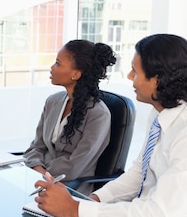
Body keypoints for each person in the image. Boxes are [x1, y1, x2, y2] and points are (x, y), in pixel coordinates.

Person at [33, 34, 187, 217]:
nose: (129, 76)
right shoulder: (164, 115)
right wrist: (93, 200)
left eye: (136, 70)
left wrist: (76, 209)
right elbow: (139, 174)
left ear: (157, 79)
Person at [23, 39, 117, 195]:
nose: (52, 68)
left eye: (58, 64)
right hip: (39, 180)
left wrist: (41, 171)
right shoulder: (53, 101)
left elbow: (75, 165)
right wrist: (39, 171)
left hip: (71, 188)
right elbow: (36, 147)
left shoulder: (98, 114)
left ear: (76, 74)